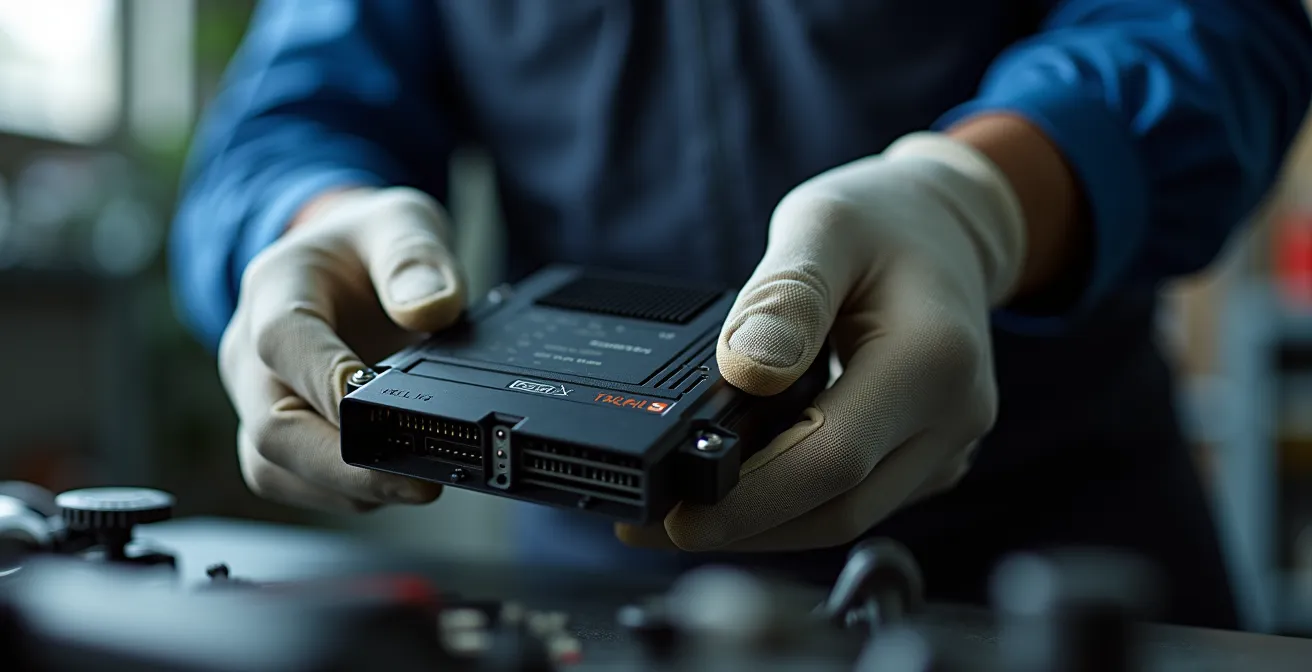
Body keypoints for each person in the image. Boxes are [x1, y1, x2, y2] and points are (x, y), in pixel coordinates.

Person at [171, 0, 1312, 630]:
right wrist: (301, 224)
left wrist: (980, 205)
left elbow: (1215, 26)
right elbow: (289, 111)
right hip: (605, 574)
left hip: (1051, 555)